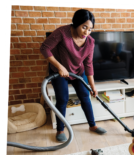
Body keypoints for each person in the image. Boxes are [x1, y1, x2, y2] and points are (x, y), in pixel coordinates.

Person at [40, 9, 106, 142]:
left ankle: (92, 126)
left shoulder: (90, 42)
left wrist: (92, 86)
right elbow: (44, 48)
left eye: (90, 29)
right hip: (60, 71)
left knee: (85, 97)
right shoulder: (62, 33)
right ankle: (60, 130)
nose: (86, 32)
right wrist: (59, 66)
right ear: (76, 23)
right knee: (62, 99)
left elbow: (88, 64)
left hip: (78, 72)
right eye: (84, 27)